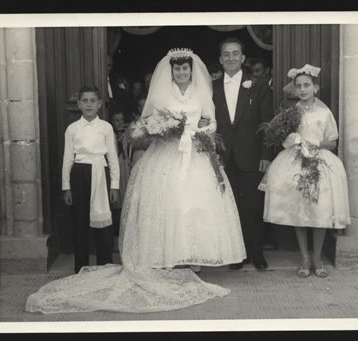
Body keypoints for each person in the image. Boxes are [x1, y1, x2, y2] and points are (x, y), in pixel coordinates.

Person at [25, 48, 246, 314]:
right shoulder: (163, 94)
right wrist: (164, 130)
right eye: (177, 70)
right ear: (171, 72)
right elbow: (149, 124)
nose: (182, 73)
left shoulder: (201, 93)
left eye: (185, 69)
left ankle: (191, 255)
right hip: (167, 154)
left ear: (191, 70)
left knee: (193, 204)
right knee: (170, 204)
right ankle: (169, 256)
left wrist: (197, 132)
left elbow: (212, 124)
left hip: (195, 153)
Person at [259, 64, 351, 278]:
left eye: (306, 85)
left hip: (319, 161)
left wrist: (313, 143)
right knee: (298, 209)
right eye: (298, 86)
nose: (302, 89)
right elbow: (280, 136)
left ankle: (317, 257)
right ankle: (304, 257)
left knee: (319, 210)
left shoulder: (324, 111)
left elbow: (332, 142)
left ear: (315, 88)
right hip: (295, 161)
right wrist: (289, 139)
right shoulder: (291, 112)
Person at [212, 38, 274, 270]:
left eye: (235, 53)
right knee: (231, 207)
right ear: (220, 59)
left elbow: (266, 121)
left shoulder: (257, 85)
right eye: (226, 54)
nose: (230, 58)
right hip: (223, 156)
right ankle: (236, 255)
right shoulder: (213, 87)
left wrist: (266, 155)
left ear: (243, 58)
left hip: (251, 155)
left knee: (252, 206)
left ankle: (256, 253)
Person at [61, 86, 120, 273]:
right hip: (79, 173)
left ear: (100, 104)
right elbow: (68, 159)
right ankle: (81, 267)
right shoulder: (72, 129)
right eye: (85, 101)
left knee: (103, 222)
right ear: (78, 104)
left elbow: (112, 158)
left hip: (101, 174)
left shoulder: (106, 128)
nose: (89, 104)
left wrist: (115, 185)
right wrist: (66, 187)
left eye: (93, 101)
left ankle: (105, 267)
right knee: (80, 221)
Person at [110, 110, 132, 236]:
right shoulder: (110, 134)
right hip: (116, 165)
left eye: (121, 120)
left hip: (125, 165)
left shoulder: (128, 134)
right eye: (116, 120)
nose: (119, 123)